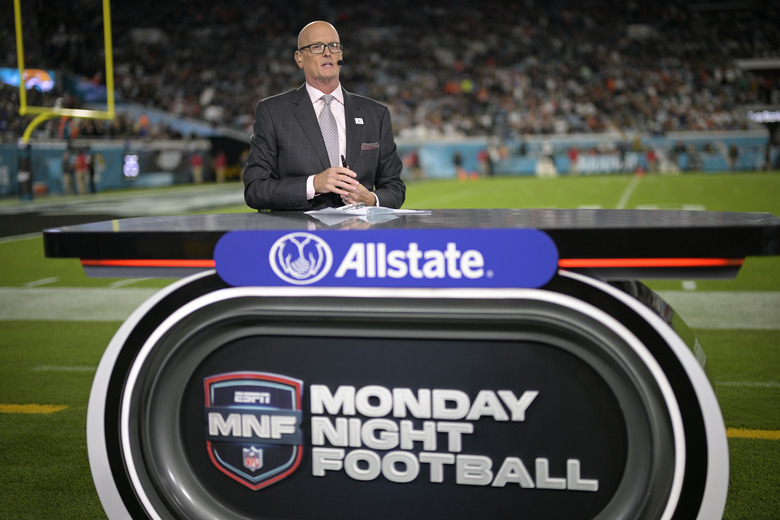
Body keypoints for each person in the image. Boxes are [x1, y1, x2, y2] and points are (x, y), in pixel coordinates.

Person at [243, 21, 406, 211]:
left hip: (358, 233)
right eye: (317, 47)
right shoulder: (272, 111)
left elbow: (395, 187)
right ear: (299, 58)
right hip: (303, 234)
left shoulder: (376, 113)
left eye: (334, 46)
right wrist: (313, 184)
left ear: (341, 56)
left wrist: (371, 199)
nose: (327, 52)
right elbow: (255, 189)